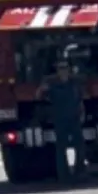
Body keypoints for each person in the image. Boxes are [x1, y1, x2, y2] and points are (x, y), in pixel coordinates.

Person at [39, 54, 87, 182]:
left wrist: (82, 113)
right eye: (61, 68)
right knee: (61, 148)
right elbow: (40, 96)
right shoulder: (52, 84)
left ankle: (80, 172)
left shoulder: (74, 83)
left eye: (65, 67)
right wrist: (42, 89)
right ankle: (63, 175)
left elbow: (81, 98)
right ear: (57, 70)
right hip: (60, 119)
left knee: (80, 146)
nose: (63, 70)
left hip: (74, 118)